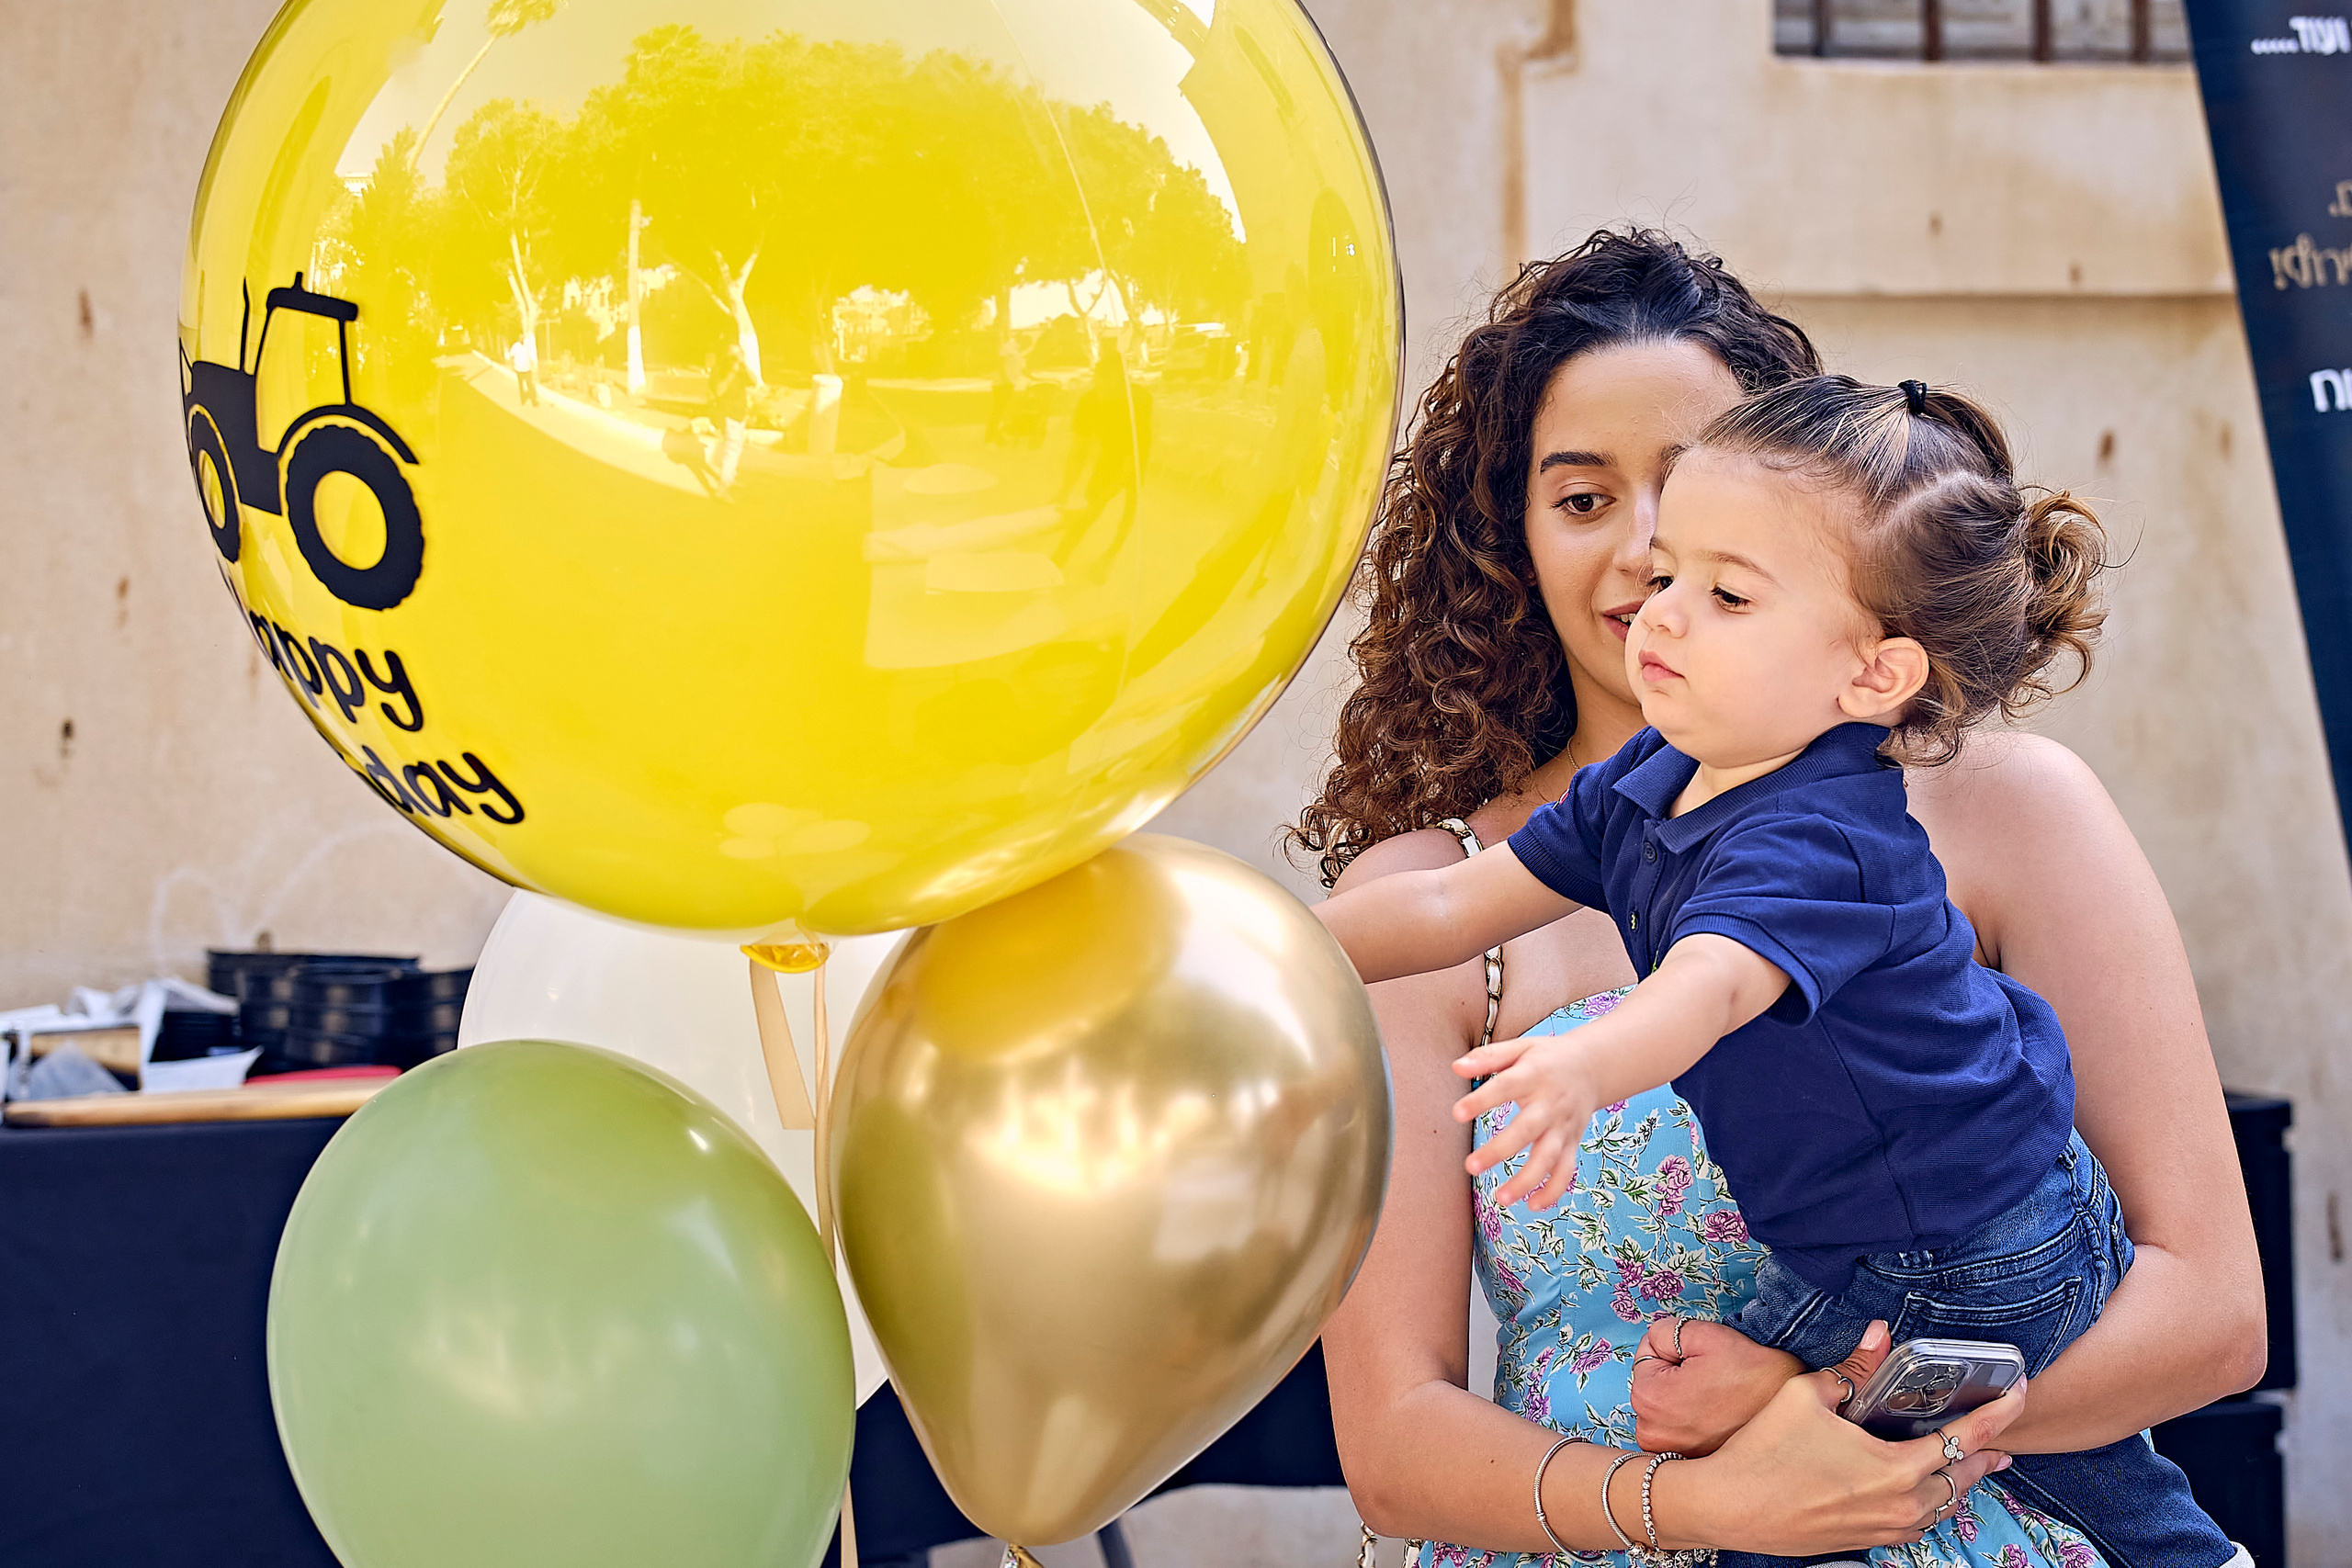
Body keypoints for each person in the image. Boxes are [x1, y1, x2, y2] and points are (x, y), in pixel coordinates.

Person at [1296, 230, 2265, 1568]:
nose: (1648, 560)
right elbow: (1397, 1441)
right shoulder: (1474, 872)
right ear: (1510, 541)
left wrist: (1858, 1427)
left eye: (1700, 511)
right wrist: (1710, 1498)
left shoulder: (1998, 815)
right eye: (1583, 501)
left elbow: (2212, 1310)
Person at [707, 344, 752, 495]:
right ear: (726, 356)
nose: (736, 359)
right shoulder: (720, 369)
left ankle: (729, 478)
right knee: (731, 450)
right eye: (733, 356)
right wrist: (731, 372)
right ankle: (722, 488)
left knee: (737, 448)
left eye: (739, 354)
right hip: (728, 414)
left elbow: (754, 381)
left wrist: (743, 364)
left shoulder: (741, 370)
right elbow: (719, 391)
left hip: (740, 413)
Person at [507, 331, 539, 407]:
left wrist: (533, 363)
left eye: (523, 337)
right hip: (519, 369)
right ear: (518, 338)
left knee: (530, 385)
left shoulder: (527, 345)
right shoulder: (515, 346)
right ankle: (523, 400)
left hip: (527, 369)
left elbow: (531, 354)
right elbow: (511, 355)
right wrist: (513, 364)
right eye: (520, 337)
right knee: (521, 385)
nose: (522, 339)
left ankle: (534, 401)